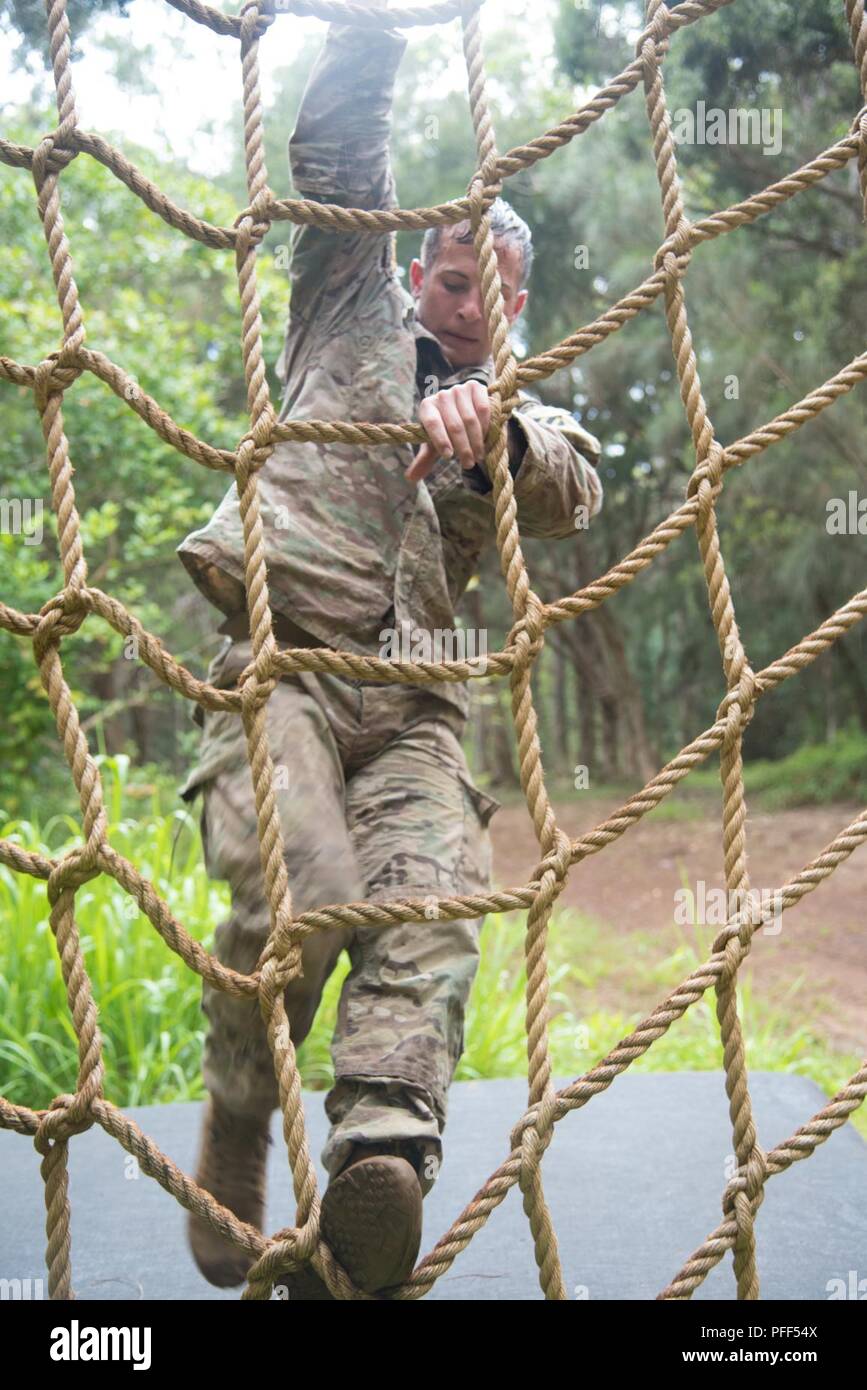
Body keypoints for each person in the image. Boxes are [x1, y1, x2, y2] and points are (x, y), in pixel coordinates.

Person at [176, 5, 603, 1299]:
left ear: (518, 304)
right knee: (303, 884)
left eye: (488, 288)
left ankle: (379, 1172)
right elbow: (338, 162)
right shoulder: (348, 301)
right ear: (416, 271)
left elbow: (573, 491)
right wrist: (376, 29)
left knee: (428, 909)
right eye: (450, 275)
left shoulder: (529, 408)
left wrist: (495, 441)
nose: (463, 301)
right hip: (284, 662)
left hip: (412, 707)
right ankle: (242, 1121)